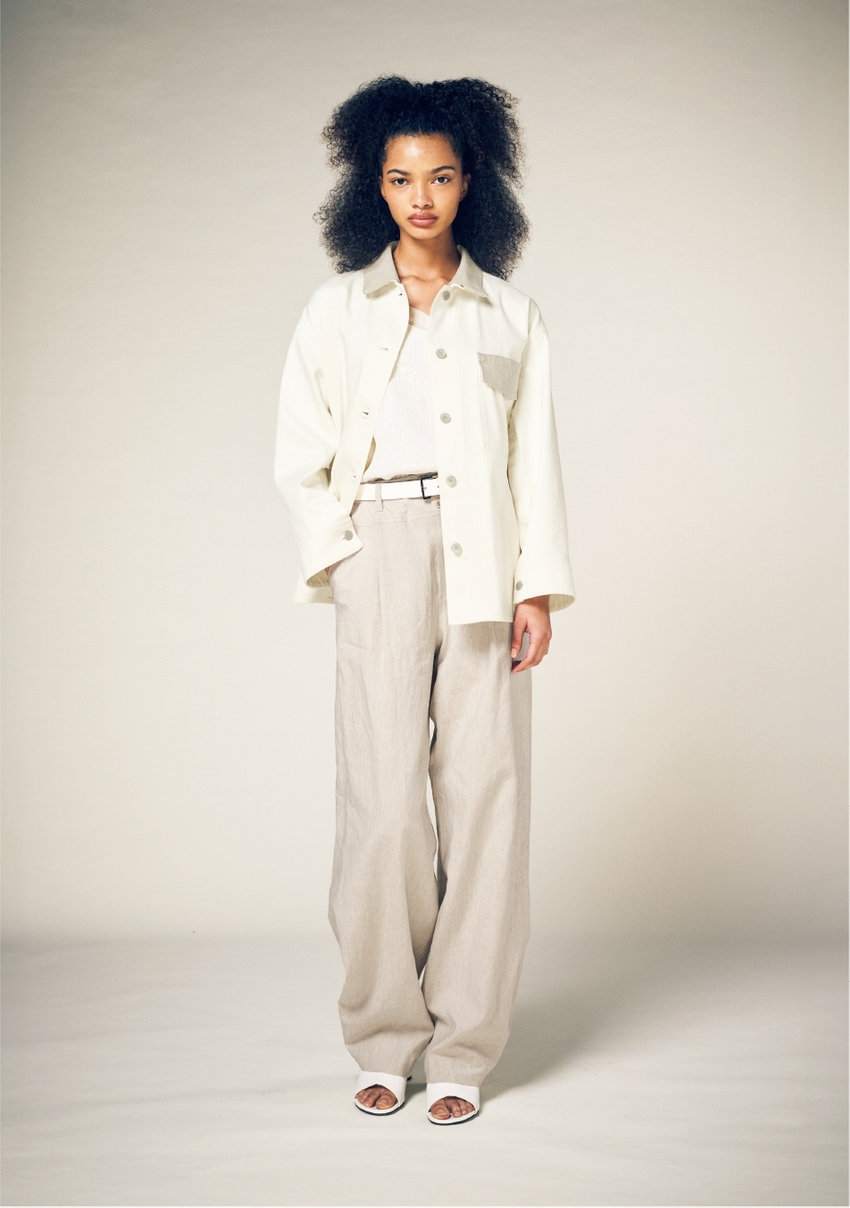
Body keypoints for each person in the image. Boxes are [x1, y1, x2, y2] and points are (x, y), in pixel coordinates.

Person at [274, 76, 574, 1125]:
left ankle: (463, 1047)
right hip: (381, 549)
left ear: (471, 183)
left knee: (487, 798)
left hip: (486, 558)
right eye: (401, 178)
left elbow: (532, 459)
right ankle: (382, 1036)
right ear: (373, 184)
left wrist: (537, 587)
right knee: (384, 806)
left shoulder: (511, 314)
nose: (420, 197)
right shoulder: (333, 311)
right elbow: (299, 452)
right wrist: (343, 555)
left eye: (440, 176)